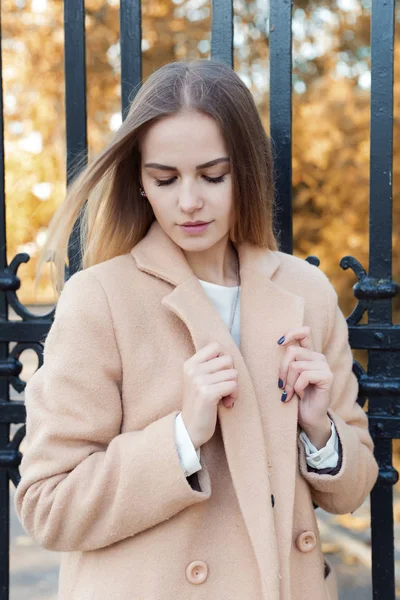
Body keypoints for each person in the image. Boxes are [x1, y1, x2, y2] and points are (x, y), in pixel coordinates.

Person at [14, 58, 379, 600]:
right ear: (140, 182)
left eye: (213, 175)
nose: (188, 201)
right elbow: (48, 505)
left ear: (247, 172)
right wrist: (181, 436)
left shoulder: (306, 293)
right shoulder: (100, 300)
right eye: (164, 178)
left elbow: (352, 492)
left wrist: (318, 430)